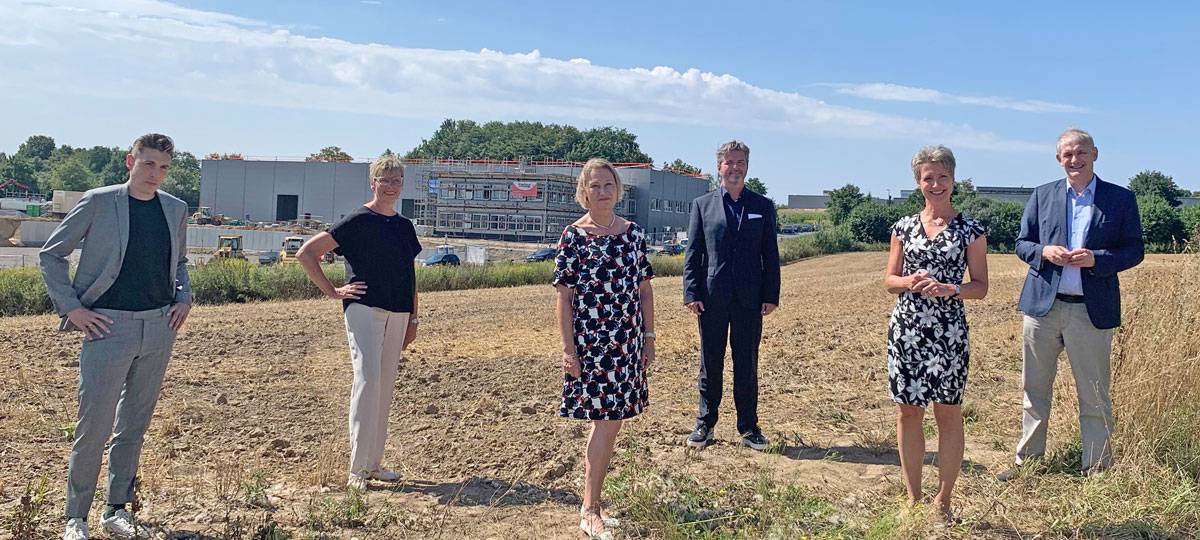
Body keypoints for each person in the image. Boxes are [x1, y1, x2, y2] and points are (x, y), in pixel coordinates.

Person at [40, 133, 193, 540]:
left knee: (134, 425)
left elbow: (180, 262)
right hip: (107, 326)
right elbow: (51, 255)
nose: (155, 174)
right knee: (94, 425)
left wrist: (184, 297)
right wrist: (72, 308)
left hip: (159, 327)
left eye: (163, 167)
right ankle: (76, 517)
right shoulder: (99, 201)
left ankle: (116, 509)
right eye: (148, 164)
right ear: (130, 162)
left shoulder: (175, 209)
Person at [998, 128, 1144, 481]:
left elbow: (1134, 250)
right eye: (1067, 155)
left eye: (1081, 153)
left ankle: (1096, 467)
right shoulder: (1041, 195)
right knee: (1034, 390)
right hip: (1042, 309)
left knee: (1094, 393)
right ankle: (1028, 462)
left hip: (1090, 311)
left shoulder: (1120, 199)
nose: (1074, 160)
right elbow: (1021, 243)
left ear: (1095, 153)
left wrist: (1097, 259)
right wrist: (1043, 252)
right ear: (1058, 158)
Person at [296, 154, 421, 491]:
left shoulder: (404, 227)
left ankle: (375, 464)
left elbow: (409, 274)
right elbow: (307, 253)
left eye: (397, 181)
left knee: (384, 385)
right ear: (373, 182)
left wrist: (413, 317)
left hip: (398, 311)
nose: (392, 186)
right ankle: (357, 471)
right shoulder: (357, 220)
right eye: (386, 179)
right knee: (367, 380)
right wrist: (333, 291)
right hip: (364, 308)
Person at [884, 145, 988, 521]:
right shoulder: (903, 227)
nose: (936, 184)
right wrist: (908, 281)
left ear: (953, 179)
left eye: (942, 176)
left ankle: (943, 501)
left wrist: (952, 289)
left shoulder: (971, 229)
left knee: (948, 414)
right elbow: (889, 280)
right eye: (928, 177)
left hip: (948, 333)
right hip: (907, 329)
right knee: (908, 413)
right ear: (918, 182)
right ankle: (912, 500)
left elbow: (981, 286)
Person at [554, 158, 655, 540]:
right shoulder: (574, 236)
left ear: (618, 189)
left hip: (627, 344)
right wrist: (569, 350)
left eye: (608, 184)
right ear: (584, 191)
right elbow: (564, 298)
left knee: (611, 423)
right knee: (606, 424)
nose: (602, 191)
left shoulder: (633, 234)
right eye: (594, 185)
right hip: (591, 346)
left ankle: (592, 502)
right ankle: (590, 507)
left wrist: (649, 337)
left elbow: (644, 290)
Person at [682, 140, 780, 451]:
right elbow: (693, 252)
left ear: (747, 166)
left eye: (740, 162)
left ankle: (749, 428)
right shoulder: (703, 205)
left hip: (750, 299)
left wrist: (771, 294)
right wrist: (691, 291)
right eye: (729, 162)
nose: (734, 168)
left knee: (746, 363)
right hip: (712, 298)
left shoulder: (762, 206)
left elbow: (770, 254)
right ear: (719, 167)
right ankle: (705, 424)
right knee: (710, 362)